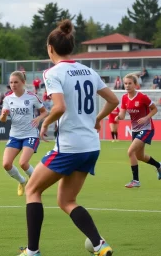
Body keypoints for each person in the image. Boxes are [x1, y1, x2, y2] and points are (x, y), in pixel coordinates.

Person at [17, 20, 118, 256]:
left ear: (50, 48)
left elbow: (59, 107)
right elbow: (114, 100)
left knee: (32, 189)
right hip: (91, 146)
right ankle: (99, 245)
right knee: (66, 200)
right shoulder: (89, 71)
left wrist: (45, 121)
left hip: (70, 146)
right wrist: (97, 118)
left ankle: (32, 251)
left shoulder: (52, 72)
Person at [0, 71, 48, 196]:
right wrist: (4, 116)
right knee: (6, 164)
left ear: (23, 83)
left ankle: (37, 184)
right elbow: (3, 120)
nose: (13, 85)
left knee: (23, 163)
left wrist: (38, 119)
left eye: (16, 82)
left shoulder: (32, 96)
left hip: (30, 134)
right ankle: (22, 181)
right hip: (15, 135)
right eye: (11, 82)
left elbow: (44, 112)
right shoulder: (8, 99)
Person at [115, 74, 161, 188]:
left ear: (135, 84)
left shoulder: (142, 97)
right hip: (135, 129)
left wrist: (146, 117)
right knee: (140, 156)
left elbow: (154, 109)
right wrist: (118, 117)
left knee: (131, 152)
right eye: (125, 83)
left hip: (146, 128)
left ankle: (136, 180)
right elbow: (122, 113)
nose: (127, 85)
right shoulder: (125, 98)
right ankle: (159, 166)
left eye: (130, 83)